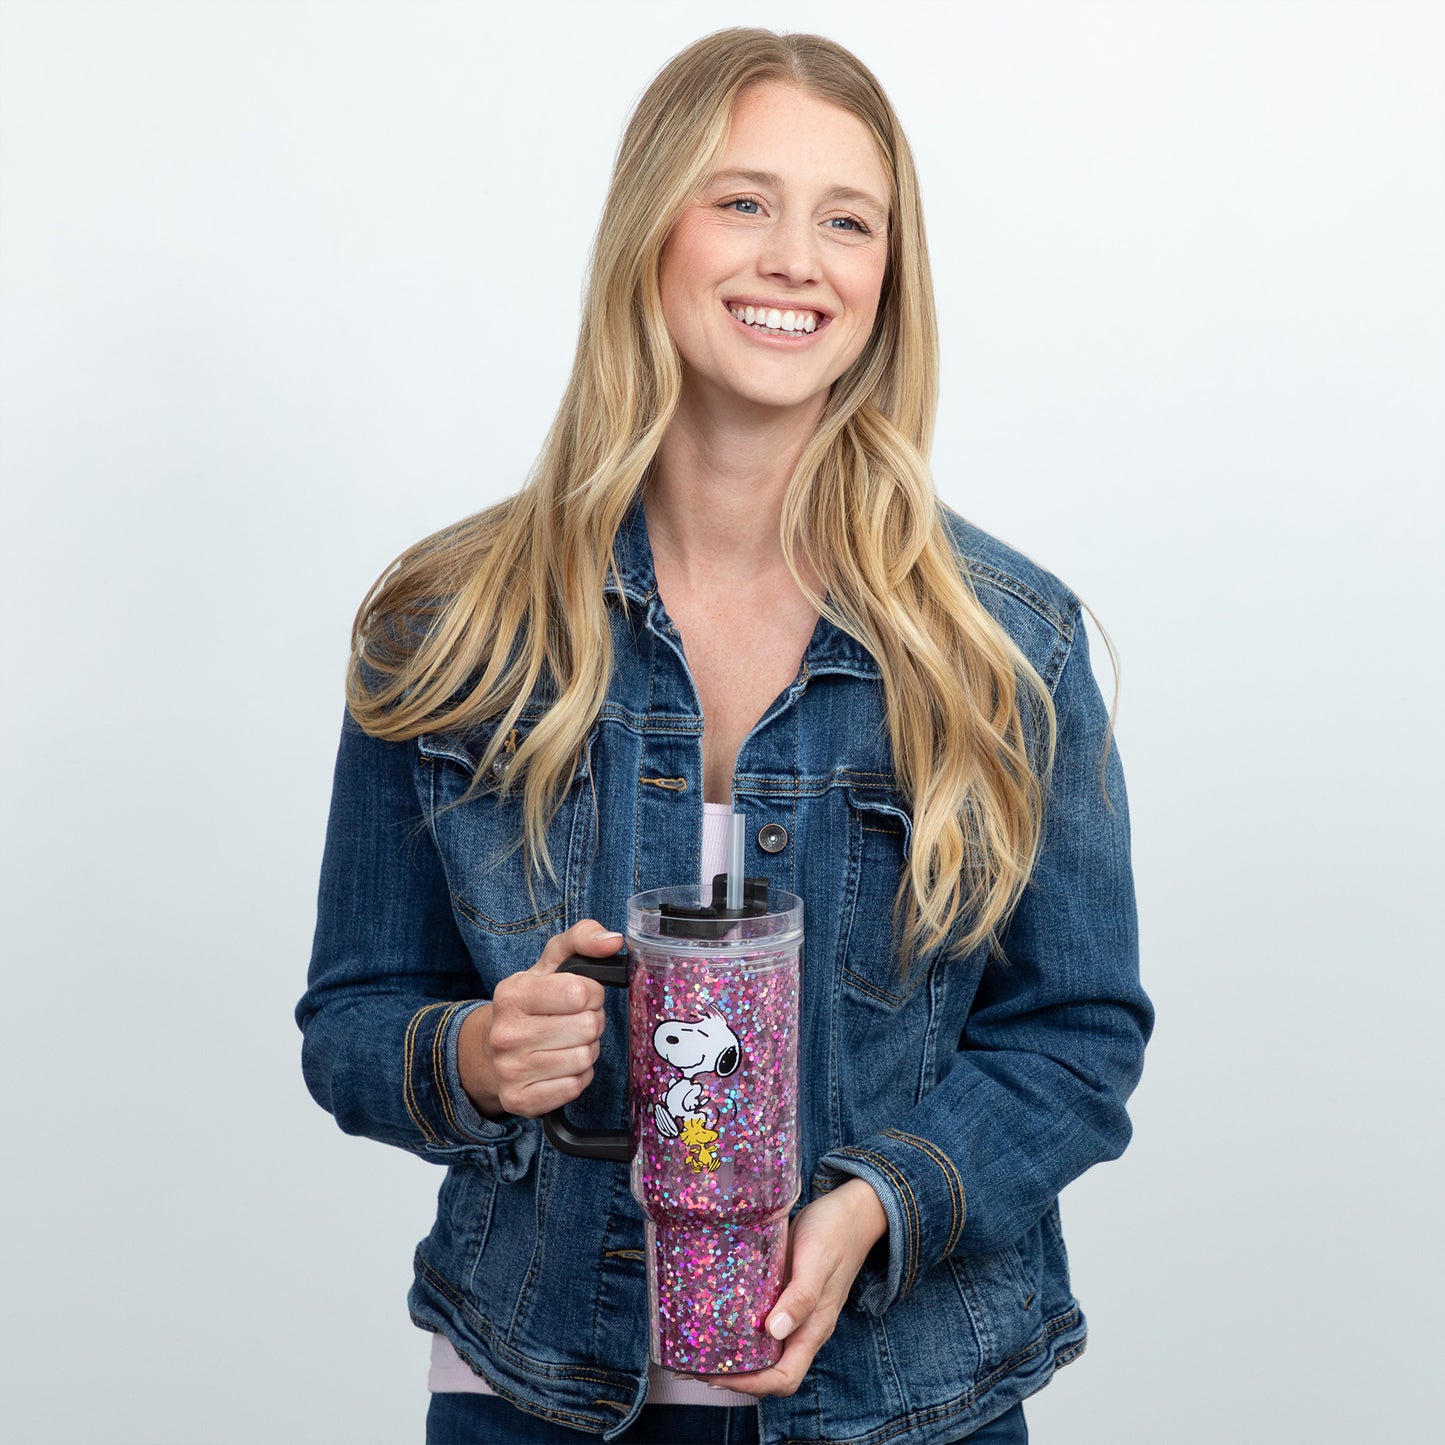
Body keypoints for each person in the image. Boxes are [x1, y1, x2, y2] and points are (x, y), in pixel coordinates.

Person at [296, 27, 1153, 1445]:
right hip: (535, 1392)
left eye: (848, 221)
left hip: (900, 1404)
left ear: (889, 277)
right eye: (743, 200)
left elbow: (1075, 1035)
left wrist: (878, 1201)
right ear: (652, 231)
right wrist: (475, 1053)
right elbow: (353, 1017)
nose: (795, 260)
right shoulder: (451, 625)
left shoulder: (1005, 645)